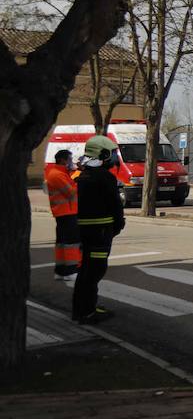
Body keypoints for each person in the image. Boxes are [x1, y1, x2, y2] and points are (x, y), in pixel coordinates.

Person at [72, 136, 125, 324]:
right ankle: (87, 312)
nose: (114, 158)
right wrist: (119, 224)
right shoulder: (106, 177)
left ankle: (80, 309)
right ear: (102, 154)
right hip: (101, 231)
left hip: (83, 231)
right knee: (95, 270)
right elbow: (115, 204)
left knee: (85, 269)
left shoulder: (81, 175)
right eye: (111, 153)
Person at [46, 149, 81, 282]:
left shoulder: (60, 173)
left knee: (62, 243)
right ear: (62, 160)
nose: (71, 162)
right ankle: (71, 271)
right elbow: (71, 192)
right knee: (71, 243)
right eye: (69, 159)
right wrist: (80, 180)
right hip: (67, 213)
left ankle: (60, 271)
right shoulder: (57, 175)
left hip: (64, 213)